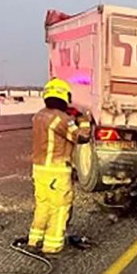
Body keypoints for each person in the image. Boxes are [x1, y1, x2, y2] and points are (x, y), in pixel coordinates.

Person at [28, 78, 90, 255]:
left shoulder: (39, 115)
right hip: (57, 170)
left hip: (39, 169)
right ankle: (52, 245)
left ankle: (35, 239)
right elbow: (82, 137)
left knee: (43, 205)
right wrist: (83, 119)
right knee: (60, 208)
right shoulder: (61, 119)